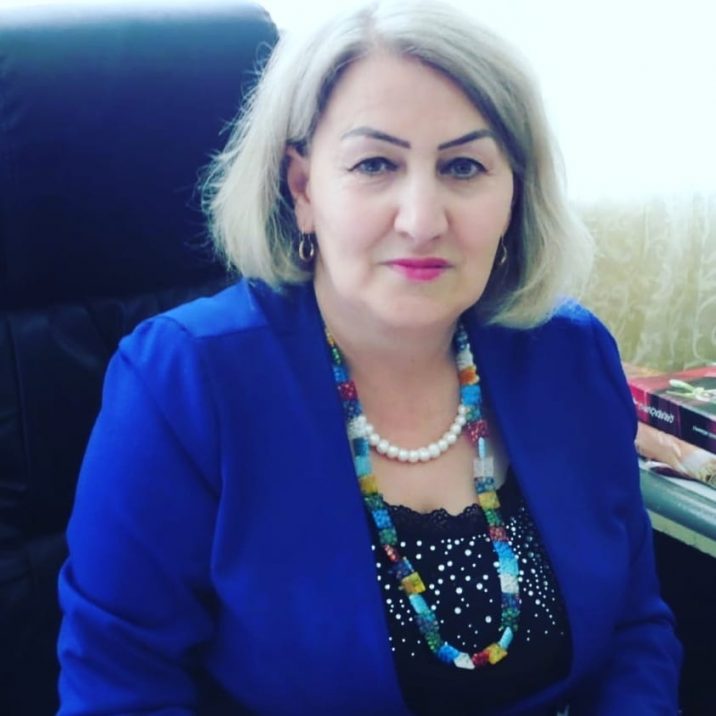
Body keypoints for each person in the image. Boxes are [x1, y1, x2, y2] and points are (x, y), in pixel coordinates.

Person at [57, 1, 682, 714]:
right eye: (375, 163)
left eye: (464, 166)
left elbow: (634, 629)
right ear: (303, 189)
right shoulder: (183, 382)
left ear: (515, 192)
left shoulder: (569, 354)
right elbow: (121, 688)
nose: (421, 219)